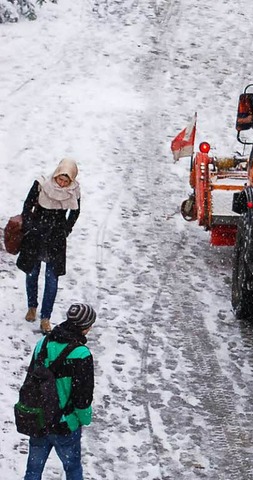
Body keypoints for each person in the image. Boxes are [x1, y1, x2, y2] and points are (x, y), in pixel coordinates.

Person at [23, 303, 96, 480]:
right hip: (65, 423)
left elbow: (30, 380)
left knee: (33, 470)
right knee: (72, 469)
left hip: (39, 420)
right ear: (85, 328)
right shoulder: (81, 354)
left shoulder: (43, 343)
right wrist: (84, 419)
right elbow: (82, 398)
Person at [17, 158, 81, 334]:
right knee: (32, 273)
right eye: (60, 178)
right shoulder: (42, 184)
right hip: (36, 236)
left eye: (66, 180)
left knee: (52, 279)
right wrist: (30, 226)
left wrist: (66, 229)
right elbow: (27, 205)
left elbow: (75, 212)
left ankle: (46, 317)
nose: (61, 183)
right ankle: (32, 306)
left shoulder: (74, 191)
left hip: (56, 239)